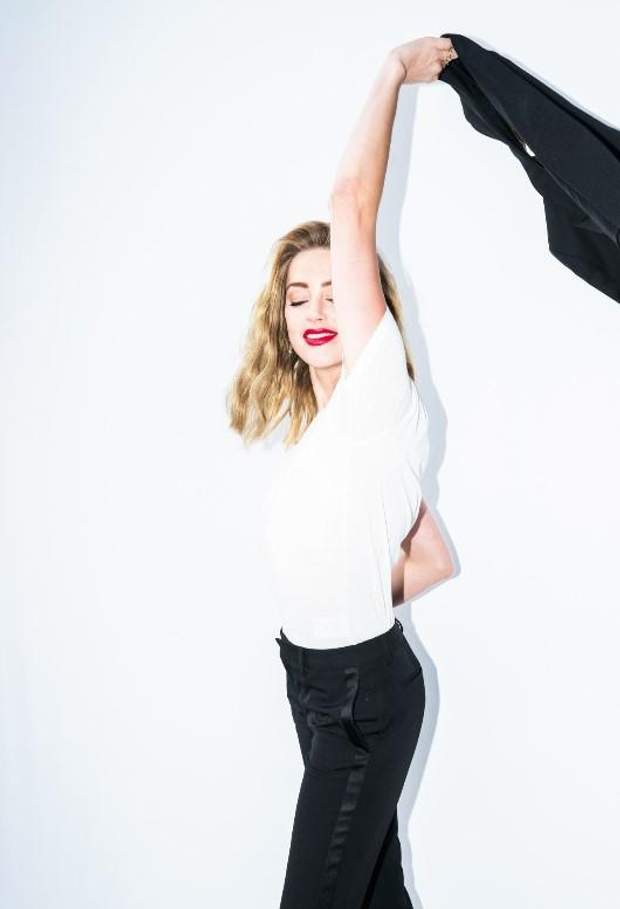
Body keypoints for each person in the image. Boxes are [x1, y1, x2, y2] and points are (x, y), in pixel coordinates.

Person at [227, 35, 457, 909]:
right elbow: (432, 558)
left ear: (367, 306)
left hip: (361, 695)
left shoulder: (376, 387)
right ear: (281, 320)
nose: (316, 308)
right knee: (370, 894)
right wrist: (355, 585)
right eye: (299, 295)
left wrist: (394, 71)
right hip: (315, 681)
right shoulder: (325, 432)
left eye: (335, 290)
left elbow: (349, 204)